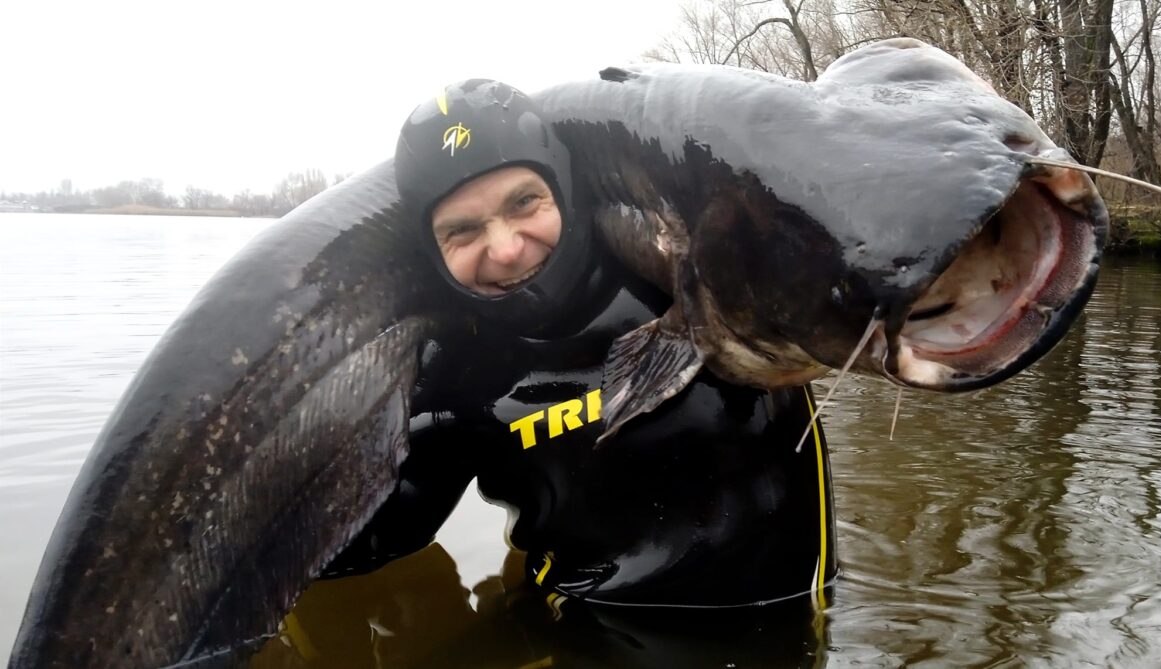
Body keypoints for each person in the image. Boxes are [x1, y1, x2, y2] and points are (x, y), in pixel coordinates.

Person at [321, 78, 838, 616]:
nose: (505, 248)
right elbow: (374, 534)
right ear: (432, 250)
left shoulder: (687, 275)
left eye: (524, 202)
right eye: (462, 231)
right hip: (577, 628)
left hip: (790, 620)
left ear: (565, 189)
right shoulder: (456, 366)